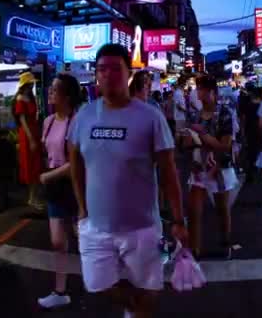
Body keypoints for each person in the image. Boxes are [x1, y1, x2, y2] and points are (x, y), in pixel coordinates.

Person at [68, 44, 187, 318]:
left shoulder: (149, 116)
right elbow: (74, 159)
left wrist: (179, 220)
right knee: (97, 284)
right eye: (101, 69)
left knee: (150, 288)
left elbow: (169, 172)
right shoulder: (84, 116)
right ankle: (133, 307)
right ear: (96, 75)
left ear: (128, 73)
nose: (108, 75)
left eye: (115, 68)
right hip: (96, 226)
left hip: (142, 227)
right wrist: (81, 206)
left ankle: (138, 310)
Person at [37, 74, 82, 309]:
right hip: (54, 186)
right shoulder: (48, 121)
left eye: (55, 90)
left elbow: (76, 163)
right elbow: (48, 154)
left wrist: (49, 175)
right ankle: (60, 290)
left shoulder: (76, 122)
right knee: (57, 241)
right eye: (51, 89)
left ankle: (103, 280)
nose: (50, 93)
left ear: (66, 96)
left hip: (74, 185)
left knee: (83, 237)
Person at [185, 75, 238, 259]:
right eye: (198, 89)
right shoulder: (195, 114)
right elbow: (189, 142)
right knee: (194, 209)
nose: (199, 94)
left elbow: (225, 144)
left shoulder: (224, 113)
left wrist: (204, 135)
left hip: (219, 168)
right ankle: (194, 248)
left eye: (202, 90)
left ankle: (225, 243)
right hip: (199, 167)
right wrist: (187, 140)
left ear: (212, 92)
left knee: (222, 209)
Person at [12, 71, 42, 209]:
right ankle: (32, 198)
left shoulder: (31, 97)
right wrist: (31, 139)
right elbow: (22, 120)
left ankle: (34, 196)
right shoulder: (20, 99)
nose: (32, 85)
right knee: (30, 166)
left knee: (36, 165)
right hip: (27, 134)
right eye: (30, 83)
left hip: (34, 132)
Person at [243, 86, 262, 183]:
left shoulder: (248, 105)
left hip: (250, 131)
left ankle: (250, 173)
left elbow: (243, 119)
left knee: (251, 153)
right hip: (260, 131)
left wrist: (243, 131)